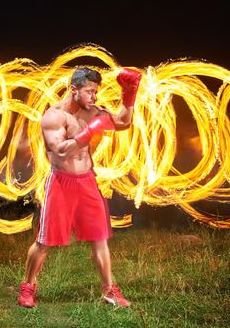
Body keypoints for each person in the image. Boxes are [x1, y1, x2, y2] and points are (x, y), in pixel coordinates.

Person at [17, 66, 142, 308]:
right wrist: (90, 131)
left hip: (87, 181)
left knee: (100, 238)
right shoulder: (53, 116)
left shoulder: (93, 111)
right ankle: (28, 287)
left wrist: (129, 95)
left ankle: (109, 291)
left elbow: (124, 122)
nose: (94, 97)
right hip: (61, 184)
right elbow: (60, 150)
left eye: (96, 92)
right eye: (89, 91)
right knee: (44, 242)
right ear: (73, 89)